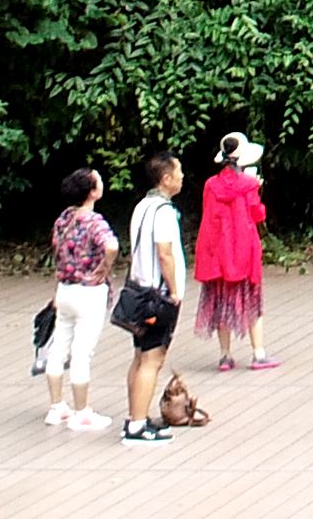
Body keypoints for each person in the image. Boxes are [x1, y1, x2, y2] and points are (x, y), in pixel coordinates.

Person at [44, 166, 118, 431]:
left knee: (59, 347)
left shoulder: (63, 218)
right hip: (89, 291)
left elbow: (58, 252)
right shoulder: (94, 221)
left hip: (65, 289)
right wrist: (103, 269)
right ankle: (82, 411)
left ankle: (56, 407)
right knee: (82, 353)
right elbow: (111, 246)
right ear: (92, 192)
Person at [195, 132, 275, 371]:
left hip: (217, 252)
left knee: (221, 302)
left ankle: (225, 355)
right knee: (252, 301)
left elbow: (208, 216)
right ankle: (258, 353)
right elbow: (258, 214)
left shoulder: (211, 185)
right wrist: (257, 191)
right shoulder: (249, 185)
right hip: (243, 250)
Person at [123, 150, 185, 446]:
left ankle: (137, 415)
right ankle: (136, 426)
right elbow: (165, 253)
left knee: (139, 357)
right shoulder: (163, 212)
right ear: (166, 178)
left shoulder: (141, 206)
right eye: (179, 172)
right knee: (153, 359)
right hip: (157, 295)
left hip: (138, 291)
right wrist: (173, 291)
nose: (182, 177)